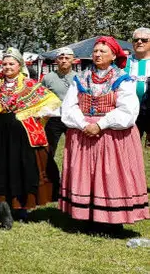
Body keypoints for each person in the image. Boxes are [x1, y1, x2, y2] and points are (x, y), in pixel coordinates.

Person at [59, 36, 150, 230]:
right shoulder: (80, 78)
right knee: (85, 174)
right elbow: (69, 106)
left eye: (103, 51)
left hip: (112, 136)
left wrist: (101, 124)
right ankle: (85, 215)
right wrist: (83, 124)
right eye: (95, 51)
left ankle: (112, 220)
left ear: (114, 55)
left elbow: (128, 110)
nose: (97, 54)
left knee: (111, 175)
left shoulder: (123, 79)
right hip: (83, 132)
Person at [0, 48, 61, 222]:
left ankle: (22, 205)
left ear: (19, 65)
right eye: (5, 64)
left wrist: (35, 113)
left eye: (11, 63)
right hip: (0, 134)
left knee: (20, 167)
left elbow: (52, 102)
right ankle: (3, 204)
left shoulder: (29, 85)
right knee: (1, 167)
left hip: (22, 136)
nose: (8, 67)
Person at [41, 48, 77, 163]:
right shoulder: (48, 78)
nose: (64, 61)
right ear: (56, 60)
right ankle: (49, 178)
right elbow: (41, 97)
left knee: (74, 150)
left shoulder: (78, 78)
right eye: (61, 58)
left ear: (73, 60)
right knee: (49, 150)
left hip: (72, 117)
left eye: (67, 58)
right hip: (53, 118)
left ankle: (73, 177)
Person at [124, 27, 150, 140]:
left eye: (144, 40)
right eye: (136, 40)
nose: (139, 42)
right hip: (129, 112)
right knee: (129, 149)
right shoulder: (123, 62)